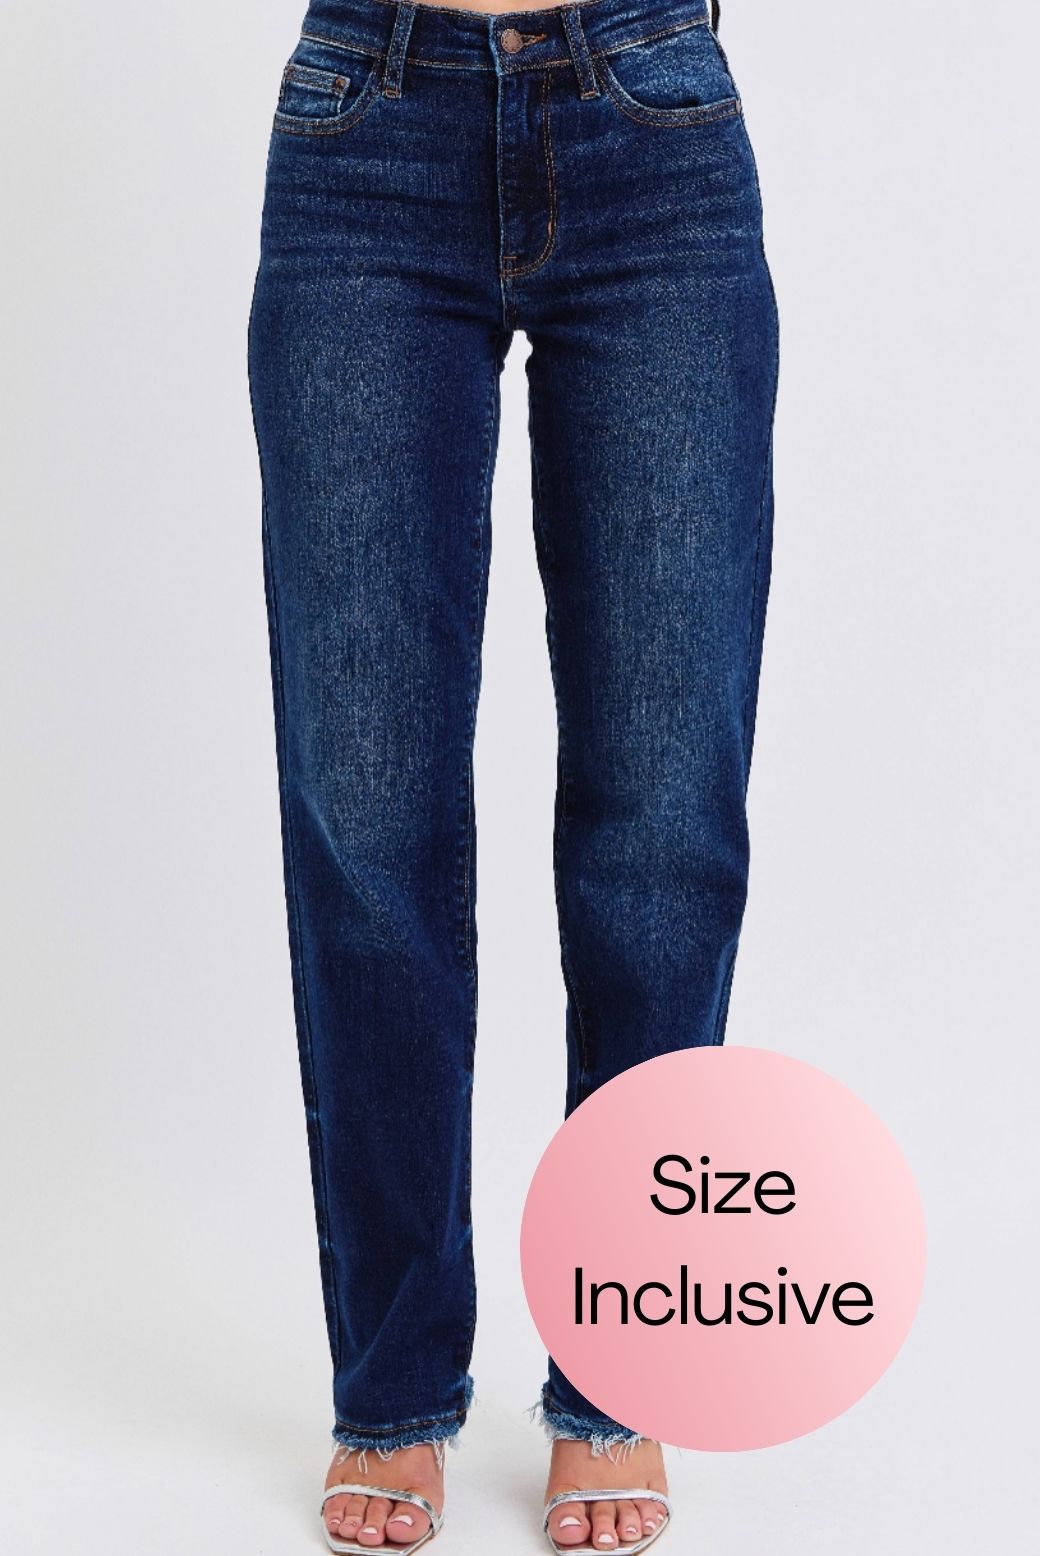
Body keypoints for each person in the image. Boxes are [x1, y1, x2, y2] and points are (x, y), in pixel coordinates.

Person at [247, 0, 778, 1547]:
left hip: (655, 123)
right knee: (367, 816)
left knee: (665, 817)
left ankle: (620, 1371)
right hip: (365, 125)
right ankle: (393, 1386)